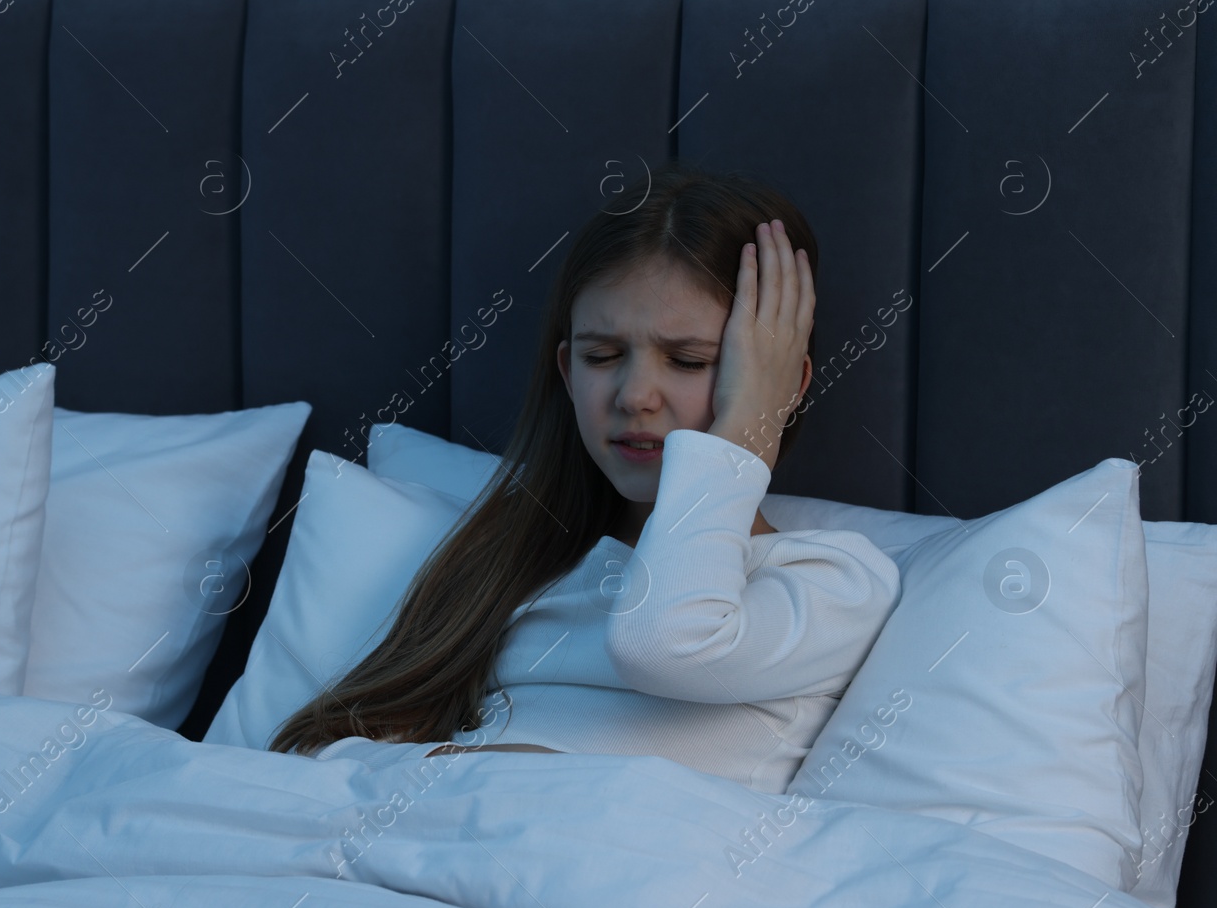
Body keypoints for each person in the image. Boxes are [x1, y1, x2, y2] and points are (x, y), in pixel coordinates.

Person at [268, 163, 901, 793]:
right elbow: (328, 762)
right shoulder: (519, 562)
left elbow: (662, 644)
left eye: (688, 361)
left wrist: (746, 430)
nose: (635, 396)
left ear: (779, 385)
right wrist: (472, 769)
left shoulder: (834, 583)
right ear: (568, 373)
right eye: (602, 357)